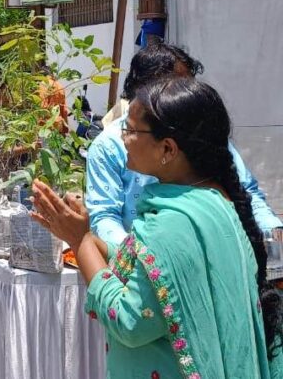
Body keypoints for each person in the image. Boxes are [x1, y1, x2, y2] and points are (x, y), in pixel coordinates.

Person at [30, 78, 282, 378]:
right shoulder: (213, 202)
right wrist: (87, 238)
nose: (122, 137)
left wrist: (81, 240)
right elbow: (152, 272)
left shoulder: (172, 224)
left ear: (167, 148)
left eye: (131, 130)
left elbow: (130, 320)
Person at [85, 43, 281, 245]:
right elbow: (105, 218)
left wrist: (272, 232)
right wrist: (132, 257)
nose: (190, 94)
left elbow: (246, 192)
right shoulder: (109, 146)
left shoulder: (200, 133)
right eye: (178, 87)